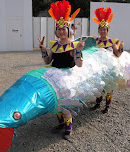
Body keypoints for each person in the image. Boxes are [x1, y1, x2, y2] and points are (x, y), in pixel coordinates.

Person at [39, 0, 87, 139]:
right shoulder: (54, 45)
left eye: (63, 29)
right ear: (56, 31)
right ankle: (61, 123)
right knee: (55, 104)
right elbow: (48, 61)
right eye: (58, 29)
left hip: (67, 78)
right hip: (54, 77)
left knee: (65, 105)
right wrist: (43, 50)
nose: (61, 31)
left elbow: (79, 64)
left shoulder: (73, 45)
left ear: (68, 30)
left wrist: (79, 51)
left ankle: (68, 128)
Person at [91, 7, 124, 114]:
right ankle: (98, 103)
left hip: (109, 68)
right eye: (100, 29)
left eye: (104, 29)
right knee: (98, 86)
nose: (102, 31)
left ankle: (107, 105)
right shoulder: (94, 41)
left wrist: (121, 48)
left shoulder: (111, 42)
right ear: (98, 30)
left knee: (109, 87)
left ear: (107, 30)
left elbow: (117, 54)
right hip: (98, 68)